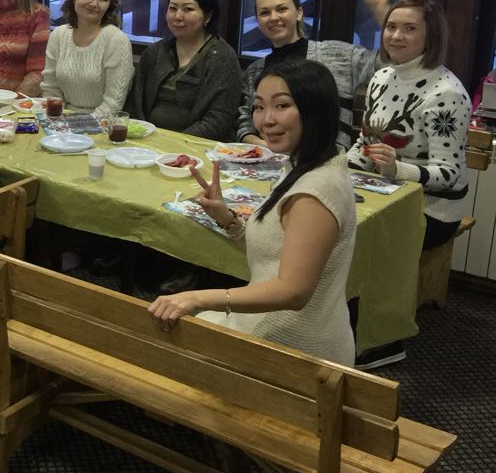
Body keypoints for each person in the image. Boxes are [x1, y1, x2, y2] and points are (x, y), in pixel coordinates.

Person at [149, 60, 356, 366]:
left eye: (282, 105)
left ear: (316, 109)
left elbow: (293, 291)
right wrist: (227, 219)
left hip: (297, 350)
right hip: (275, 328)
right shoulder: (303, 164)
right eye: (259, 107)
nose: (266, 120)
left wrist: (199, 297)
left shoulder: (316, 190)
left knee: (159, 343)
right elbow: (277, 251)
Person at [349, 0, 469, 249]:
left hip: (431, 208)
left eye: (410, 29)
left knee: (344, 237)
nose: (396, 36)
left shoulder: (447, 94)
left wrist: (396, 170)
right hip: (381, 191)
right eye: (391, 27)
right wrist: (338, 168)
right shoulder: (381, 78)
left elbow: (449, 174)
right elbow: (365, 144)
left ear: (431, 36)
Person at [236, 0, 391, 147]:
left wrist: (380, 8)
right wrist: (266, 147)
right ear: (258, 21)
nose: (274, 17)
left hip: (327, 159)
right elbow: (245, 124)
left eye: (282, 9)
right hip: (269, 159)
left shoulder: (340, 55)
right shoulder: (255, 71)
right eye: (264, 13)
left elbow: (392, 63)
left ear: (299, 13)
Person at [128, 0, 242, 141]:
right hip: (146, 141)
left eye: (188, 9)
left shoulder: (223, 57)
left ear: (208, 16)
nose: (178, 16)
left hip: (195, 145)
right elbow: (134, 103)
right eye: (172, 8)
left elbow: (218, 120)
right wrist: (140, 136)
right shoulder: (155, 52)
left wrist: (174, 142)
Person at [40, 0, 133, 118]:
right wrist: (56, 121)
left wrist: (81, 125)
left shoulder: (116, 40)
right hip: (62, 120)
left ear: (109, 6)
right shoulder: (58, 35)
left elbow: (114, 103)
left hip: (102, 123)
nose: (94, 3)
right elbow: (51, 89)